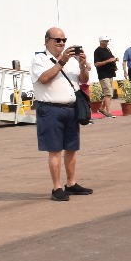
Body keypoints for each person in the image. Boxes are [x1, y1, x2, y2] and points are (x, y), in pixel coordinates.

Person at [30, 28, 94, 201]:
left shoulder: (71, 60)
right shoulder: (39, 59)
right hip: (51, 109)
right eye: (57, 40)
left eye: (64, 40)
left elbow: (83, 80)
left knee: (72, 147)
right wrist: (62, 61)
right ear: (47, 41)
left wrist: (82, 65)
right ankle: (57, 187)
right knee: (55, 149)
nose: (61, 43)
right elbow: (44, 78)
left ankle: (71, 183)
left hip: (71, 108)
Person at [92, 35, 118, 117]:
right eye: (106, 41)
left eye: (107, 41)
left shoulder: (107, 49)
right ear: (101, 41)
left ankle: (102, 108)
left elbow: (111, 58)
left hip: (110, 73)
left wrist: (114, 61)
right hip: (103, 74)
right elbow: (96, 64)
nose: (107, 42)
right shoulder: (97, 51)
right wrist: (107, 61)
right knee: (108, 93)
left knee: (109, 93)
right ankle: (108, 111)